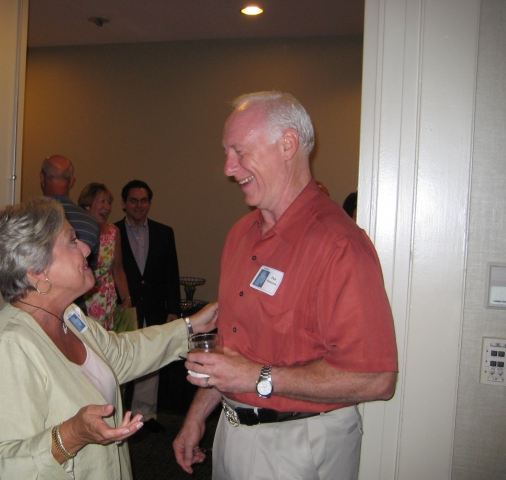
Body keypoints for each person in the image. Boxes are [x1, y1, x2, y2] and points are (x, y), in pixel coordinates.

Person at [174, 92, 398, 480]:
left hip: (299, 444)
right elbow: (235, 349)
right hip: (232, 432)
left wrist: (258, 378)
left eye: (239, 151)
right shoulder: (241, 234)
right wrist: (198, 416)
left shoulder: (339, 245)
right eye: (227, 153)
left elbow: (375, 378)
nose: (228, 168)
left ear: (288, 145)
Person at [0, 197, 218, 480]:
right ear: (37, 271)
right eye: (72, 241)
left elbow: (122, 354)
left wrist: (192, 326)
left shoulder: (70, 317)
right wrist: (69, 436)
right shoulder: (8, 348)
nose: (87, 248)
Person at [114, 180, 181, 433]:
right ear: (124, 203)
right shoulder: (112, 232)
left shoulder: (165, 232)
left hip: (154, 308)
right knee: (118, 361)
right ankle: (116, 417)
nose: (139, 205)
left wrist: (172, 309)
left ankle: (146, 417)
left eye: (143, 200)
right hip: (124, 310)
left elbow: (171, 274)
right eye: (133, 200)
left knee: (150, 363)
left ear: (149, 203)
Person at [78, 182, 132, 330]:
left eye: (109, 202)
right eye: (102, 201)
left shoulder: (114, 232)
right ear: (87, 205)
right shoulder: (77, 232)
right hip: (84, 300)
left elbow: (118, 269)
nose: (107, 207)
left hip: (108, 301)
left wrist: (127, 298)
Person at [40, 154, 99, 270]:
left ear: (41, 178)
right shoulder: (91, 222)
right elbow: (91, 268)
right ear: (71, 181)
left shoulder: (29, 219)